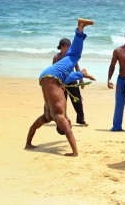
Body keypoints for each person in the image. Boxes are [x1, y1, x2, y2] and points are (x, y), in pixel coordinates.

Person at [25, 18, 95, 156]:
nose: (69, 124)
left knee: (74, 55)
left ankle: (80, 28)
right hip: (47, 78)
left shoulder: (57, 116)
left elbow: (67, 132)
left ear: (61, 125)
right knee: (70, 59)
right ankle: (80, 30)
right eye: (69, 123)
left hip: (52, 76)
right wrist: (27, 143)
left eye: (67, 124)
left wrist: (74, 152)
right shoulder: (47, 116)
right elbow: (33, 127)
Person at [53, 38, 88, 126]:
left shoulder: (70, 56)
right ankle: (63, 118)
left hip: (72, 80)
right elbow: (54, 70)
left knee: (77, 100)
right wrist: (57, 83)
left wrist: (81, 78)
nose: (69, 48)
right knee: (62, 101)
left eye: (70, 46)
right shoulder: (57, 57)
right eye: (68, 46)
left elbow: (76, 66)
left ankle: (81, 119)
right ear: (62, 47)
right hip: (62, 81)